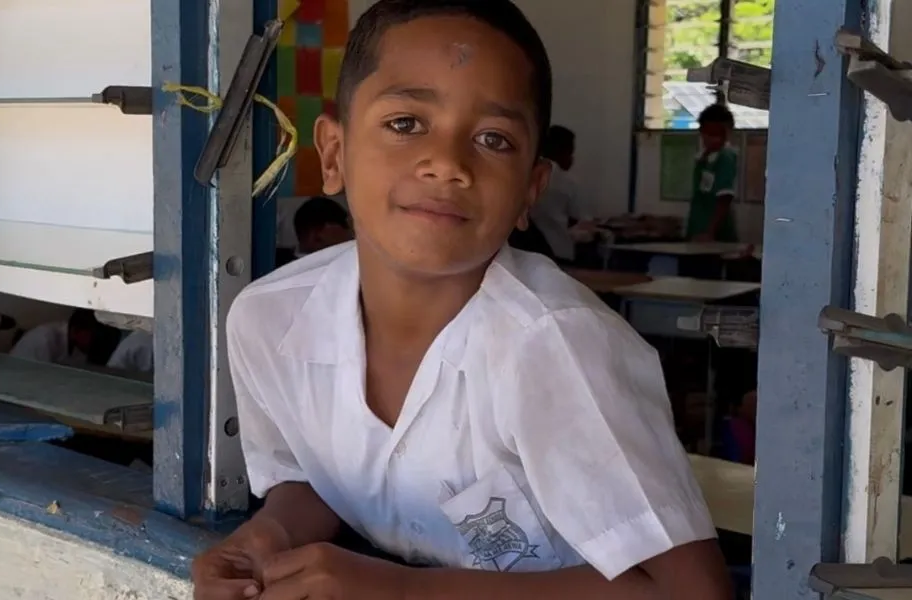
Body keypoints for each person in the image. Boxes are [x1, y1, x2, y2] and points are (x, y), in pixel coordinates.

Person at [194, 1, 731, 599]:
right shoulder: (269, 321)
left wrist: (402, 593)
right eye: (406, 123)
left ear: (531, 189)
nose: (447, 164)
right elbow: (319, 480)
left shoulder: (554, 345)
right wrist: (265, 537)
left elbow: (691, 592)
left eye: (493, 139)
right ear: (334, 153)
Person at [528, 124, 587, 262]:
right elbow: (575, 219)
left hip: (527, 250)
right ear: (563, 152)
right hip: (558, 250)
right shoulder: (566, 181)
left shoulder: (527, 172)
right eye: (571, 152)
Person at [686, 104, 738, 242]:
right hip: (698, 228)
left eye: (718, 134)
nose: (713, 139)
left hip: (715, 235)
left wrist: (710, 232)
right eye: (709, 133)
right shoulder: (703, 158)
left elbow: (724, 198)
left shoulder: (725, 157)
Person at [11, 308, 121, 366]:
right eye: (93, 335)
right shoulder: (45, 339)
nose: (96, 342)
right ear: (76, 330)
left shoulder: (80, 349)